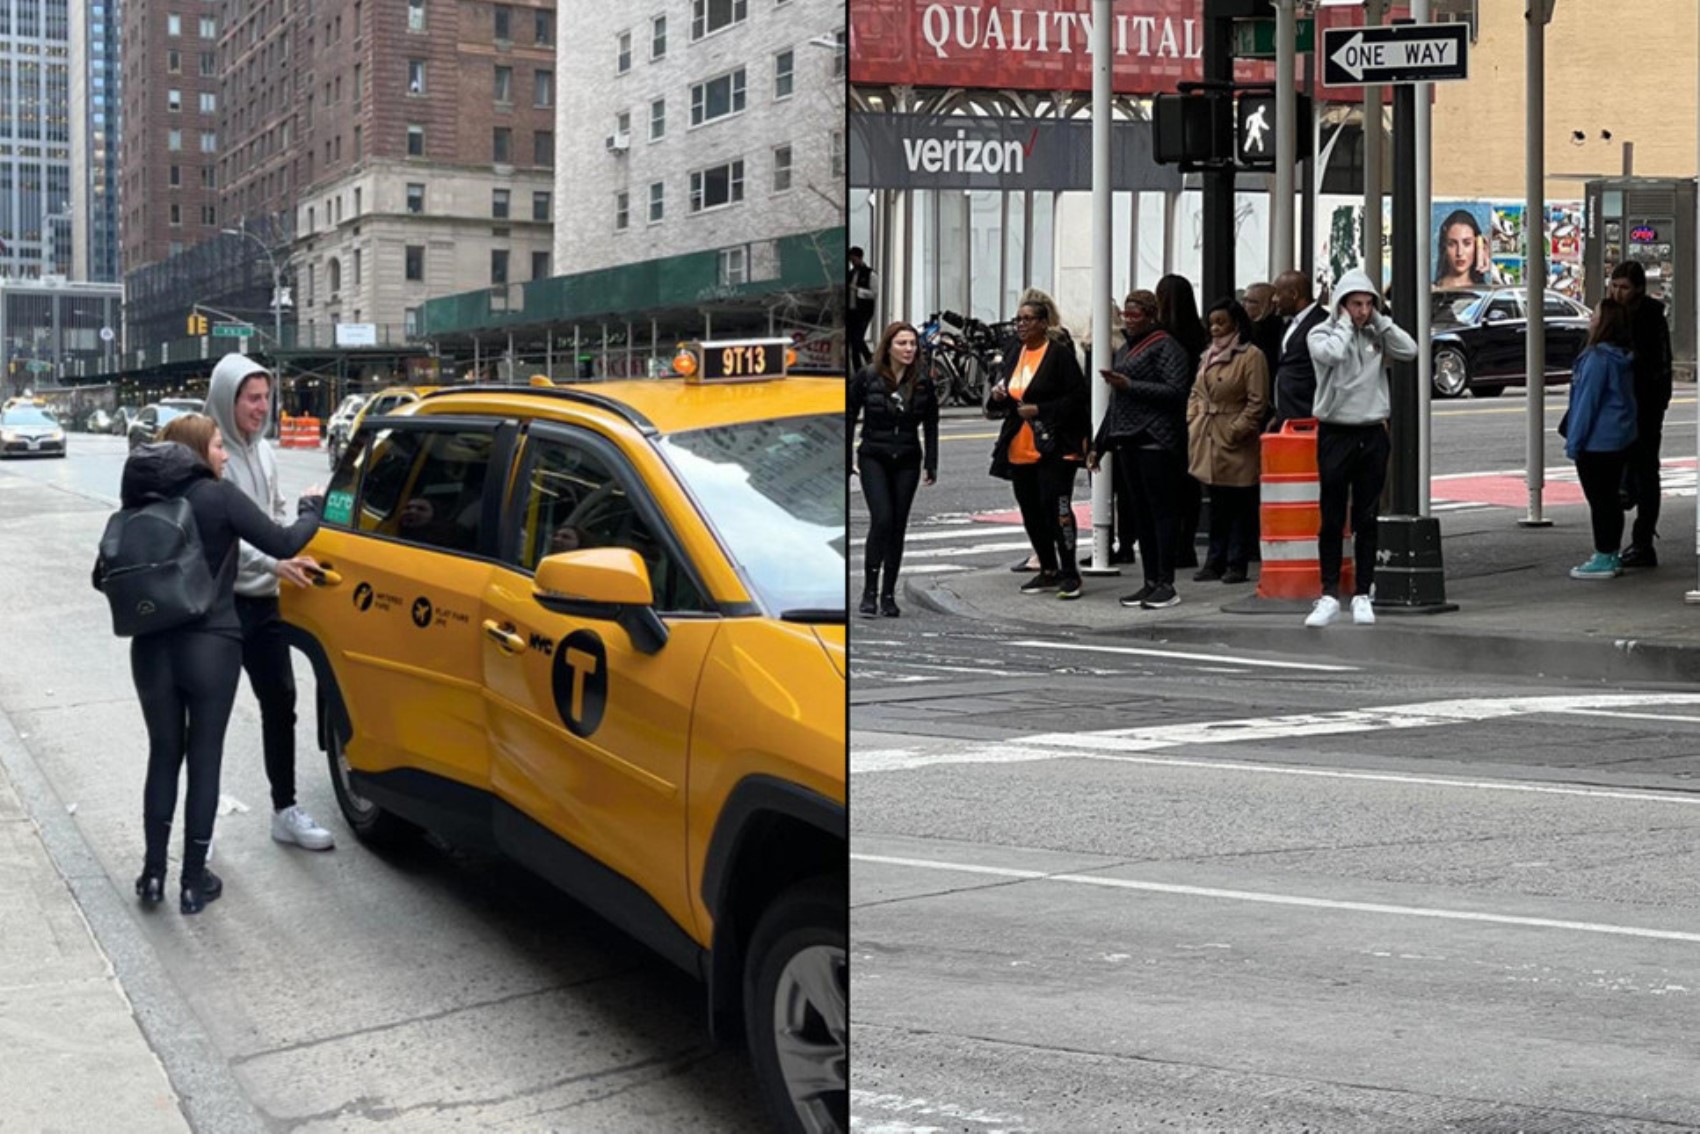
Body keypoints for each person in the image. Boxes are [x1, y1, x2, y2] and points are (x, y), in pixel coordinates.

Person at [109, 414, 322, 913]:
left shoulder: (143, 501)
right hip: (212, 645)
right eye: (218, 446)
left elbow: (110, 570)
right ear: (197, 452)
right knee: (204, 758)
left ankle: (153, 874)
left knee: (163, 754)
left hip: (151, 648)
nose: (224, 455)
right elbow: (285, 543)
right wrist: (313, 506)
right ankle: (193, 880)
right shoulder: (216, 496)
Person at [204, 354, 336, 852]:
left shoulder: (265, 453)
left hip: (265, 606)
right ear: (227, 399)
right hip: (221, 607)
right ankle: (204, 826)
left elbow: (274, 516)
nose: (262, 408)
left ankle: (285, 810)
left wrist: (282, 556)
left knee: (281, 705)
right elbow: (225, 539)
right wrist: (274, 562)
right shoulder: (211, 456)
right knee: (210, 717)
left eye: (266, 397)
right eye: (252, 398)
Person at [1303, 267, 1419, 628]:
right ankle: (1328, 593)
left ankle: (1362, 592)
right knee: (1332, 515)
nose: (1362, 310)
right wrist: (1342, 323)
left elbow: (1410, 350)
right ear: (1341, 304)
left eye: (1368, 303)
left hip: (1372, 431)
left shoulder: (1375, 332)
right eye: (1355, 303)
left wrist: (1380, 322)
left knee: (1367, 516)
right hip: (1336, 431)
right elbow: (1333, 355)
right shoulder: (1320, 333)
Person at [1088, 289, 1192, 609]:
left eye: (1135, 316)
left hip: (1156, 441)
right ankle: (1149, 581)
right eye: (1126, 316)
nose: (1129, 322)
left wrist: (1130, 385)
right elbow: (1116, 404)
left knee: (1162, 513)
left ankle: (1166, 582)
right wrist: (1099, 445)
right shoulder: (1125, 351)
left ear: (1150, 315)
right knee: (1141, 514)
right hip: (1129, 439)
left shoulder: (1166, 346)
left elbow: (1177, 391)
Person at [988, 293, 1089, 599]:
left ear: (1044, 324)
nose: (1021, 325)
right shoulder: (1014, 352)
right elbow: (1004, 397)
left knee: (1056, 508)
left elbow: (1077, 399)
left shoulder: (1058, 355)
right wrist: (998, 397)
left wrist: (1042, 410)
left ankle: (1069, 572)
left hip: (1055, 446)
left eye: (1027, 319)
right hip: (1020, 446)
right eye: (1018, 319)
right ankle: (1047, 569)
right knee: (1031, 511)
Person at [849, 320, 938, 617]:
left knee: (898, 525)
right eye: (902, 343)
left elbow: (931, 423)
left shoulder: (923, 380)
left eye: (913, 344)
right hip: (874, 455)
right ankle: (869, 590)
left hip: (908, 458)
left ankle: (888, 594)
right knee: (882, 518)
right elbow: (849, 414)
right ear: (888, 346)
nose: (909, 349)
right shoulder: (868, 376)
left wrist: (931, 462)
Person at [1188, 299, 1270, 586]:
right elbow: (1197, 393)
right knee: (1217, 504)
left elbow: (1257, 401)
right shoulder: (1206, 356)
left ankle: (1236, 562)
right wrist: (1194, 419)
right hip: (1207, 435)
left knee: (1239, 503)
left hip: (1234, 438)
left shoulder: (1251, 356)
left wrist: (1237, 430)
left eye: (1221, 322)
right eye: (1211, 322)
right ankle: (1214, 559)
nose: (1214, 328)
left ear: (1236, 323)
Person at [1561, 299, 1639, 579]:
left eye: (1594, 314)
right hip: (1617, 440)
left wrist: (1574, 442)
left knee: (1600, 500)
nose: (1590, 318)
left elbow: (1586, 404)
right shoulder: (1622, 357)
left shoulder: (1596, 359)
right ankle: (1611, 553)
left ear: (1603, 323)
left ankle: (1604, 555)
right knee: (1610, 499)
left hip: (1596, 443)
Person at [1609, 261, 1673, 567]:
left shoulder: (1648, 317)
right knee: (1630, 467)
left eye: (1624, 287)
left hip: (1644, 403)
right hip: (1624, 404)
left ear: (1637, 289)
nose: (1618, 292)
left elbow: (1653, 364)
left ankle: (1643, 539)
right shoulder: (1613, 312)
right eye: (1614, 285)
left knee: (1646, 469)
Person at [1157, 274, 1208, 569]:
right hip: (1194, 413)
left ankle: (1173, 545)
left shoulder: (1162, 336)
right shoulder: (1198, 333)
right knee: (1189, 482)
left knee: (1168, 486)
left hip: (1169, 414)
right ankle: (1186, 544)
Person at [1267, 269, 1329, 427]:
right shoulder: (1289, 324)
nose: (1274, 300)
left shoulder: (1322, 324)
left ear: (1294, 294)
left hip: (1309, 418)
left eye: (1277, 294)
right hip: (1287, 418)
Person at [1434, 209, 1491, 288]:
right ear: (1444, 247)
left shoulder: (1486, 293)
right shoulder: (1429, 291)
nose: (1459, 252)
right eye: (1452, 244)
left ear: (1477, 245)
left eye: (1467, 243)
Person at [1242, 282, 1285, 382]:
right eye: (1244, 300)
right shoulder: (1243, 326)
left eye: (1252, 302)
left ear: (1268, 304)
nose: (1244, 305)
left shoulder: (1274, 329)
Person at [847, 246, 878, 373]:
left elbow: (874, 293)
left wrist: (857, 290)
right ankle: (858, 370)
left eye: (854, 260)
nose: (852, 262)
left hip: (864, 313)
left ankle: (869, 358)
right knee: (853, 343)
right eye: (850, 260)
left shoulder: (870, 273)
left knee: (857, 339)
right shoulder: (850, 274)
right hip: (851, 312)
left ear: (859, 258)